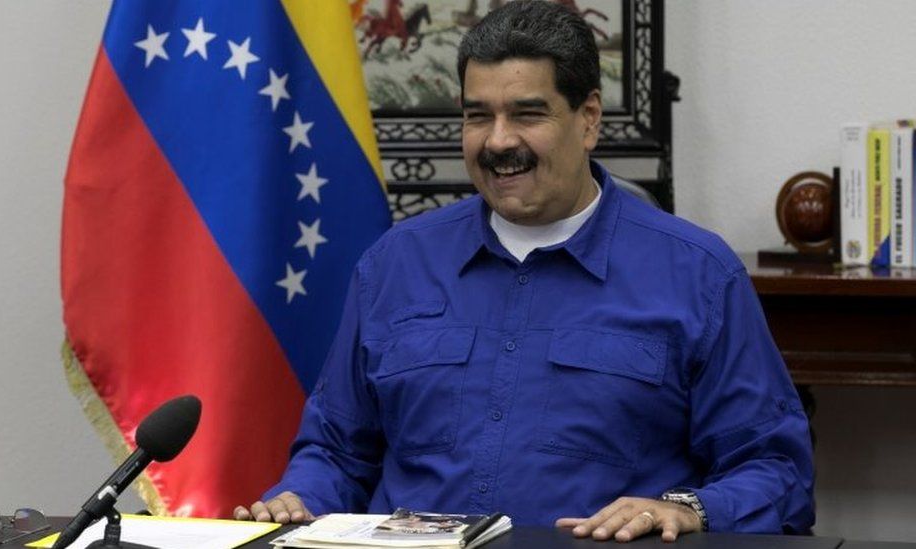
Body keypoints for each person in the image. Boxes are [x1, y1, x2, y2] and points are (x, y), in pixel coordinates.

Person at [235, 0, 814, 542]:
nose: (498, 141)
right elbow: (337, 451)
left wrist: (689, 509)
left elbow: (776, 469)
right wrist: (299, 498)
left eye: (527, 114)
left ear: (588, 119)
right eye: (477, 116)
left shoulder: (698, 274)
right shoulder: (393, 263)